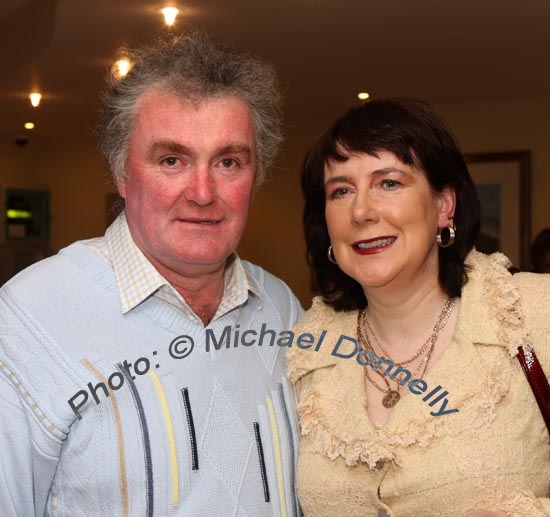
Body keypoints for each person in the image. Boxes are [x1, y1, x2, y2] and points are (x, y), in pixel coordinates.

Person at [0, 32, 302, 516]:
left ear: (255, 175)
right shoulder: (30, 317)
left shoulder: (282, 308)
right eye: (171, 160)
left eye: (228, 162)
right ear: (121, 173)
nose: (202, 193)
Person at [288, 98, 550, 516]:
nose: (361, 211)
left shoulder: (534, 313)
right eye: (341, 191)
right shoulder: (306, 346)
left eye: (388, 183)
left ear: (444, 205)